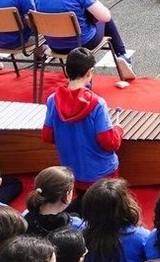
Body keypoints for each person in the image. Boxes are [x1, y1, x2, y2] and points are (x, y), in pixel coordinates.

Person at [32, 0, 138, 83]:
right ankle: (122, 55)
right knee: (106, 19)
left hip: (54, 44)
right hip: (82, 43)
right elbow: (105, 16)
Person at [41, 49, 122, 187]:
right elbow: (110, 142)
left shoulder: (52, 100)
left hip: (72, 173)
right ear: (90, 72)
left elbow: (48, 136)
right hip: (102, 175)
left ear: (66, 71)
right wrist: (118, 130)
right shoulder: (97, 103)